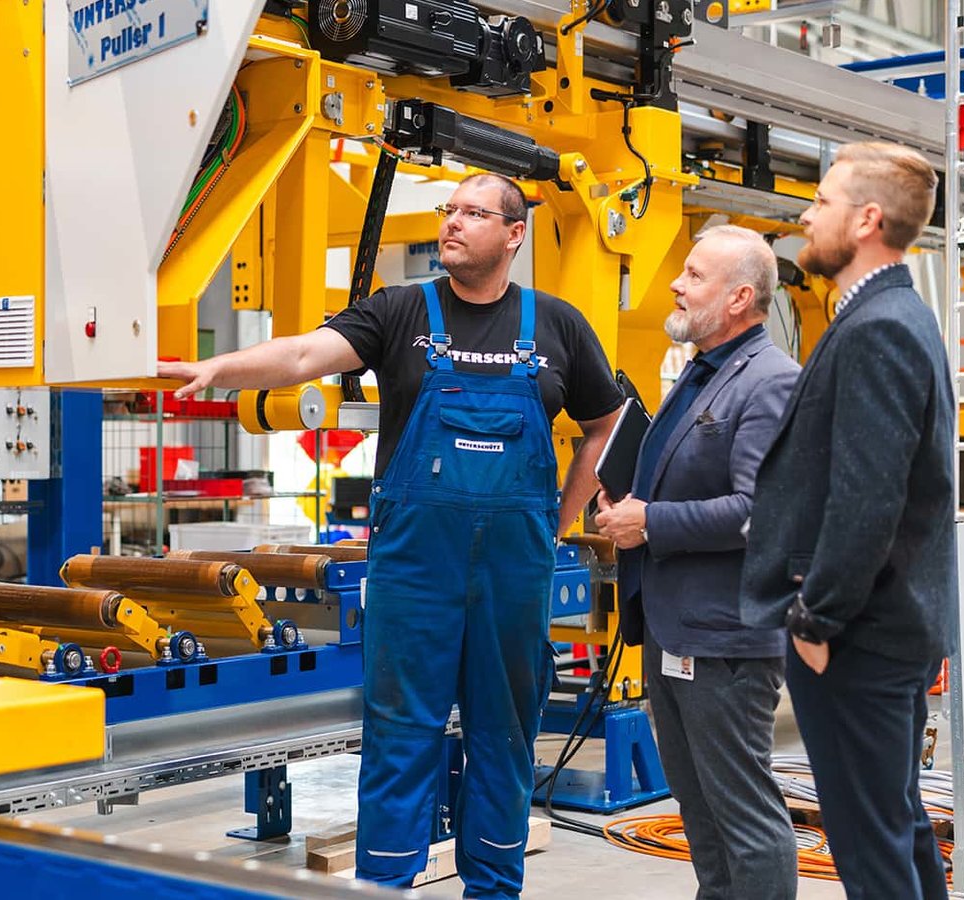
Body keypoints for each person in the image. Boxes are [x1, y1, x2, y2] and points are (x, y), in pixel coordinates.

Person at [160, 172, 624, 898]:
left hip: (515, 577)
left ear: (514, 233)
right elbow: (305, 357)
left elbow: (606, 426)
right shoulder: (400, 311)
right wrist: (221, 367)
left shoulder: (558, 326)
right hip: (416, 577)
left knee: (504, 740)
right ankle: (383, 887)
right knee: (399, 741)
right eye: (449, 211)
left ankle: (494, 890)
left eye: (474, 213)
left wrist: (559, 520)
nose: (452, 224)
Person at [740, 142, 954, 899]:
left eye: (823, 201)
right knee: (895, 829)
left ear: (867, 219)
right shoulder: (892, 315)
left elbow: (869, 497)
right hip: (884, 629)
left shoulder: (878, 328)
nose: (806, 212)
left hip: (857, 635)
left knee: (871, 852)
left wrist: (815, 621)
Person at [593, 225, 800, 900]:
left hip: (725, 641)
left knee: (744, 817)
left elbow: (756, 512)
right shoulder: (703, 371)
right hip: (675, 630)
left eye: (694, 275)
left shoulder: (768, 382)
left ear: (740, 297)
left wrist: (648, 520)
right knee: (701, 816)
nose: (677, 285)